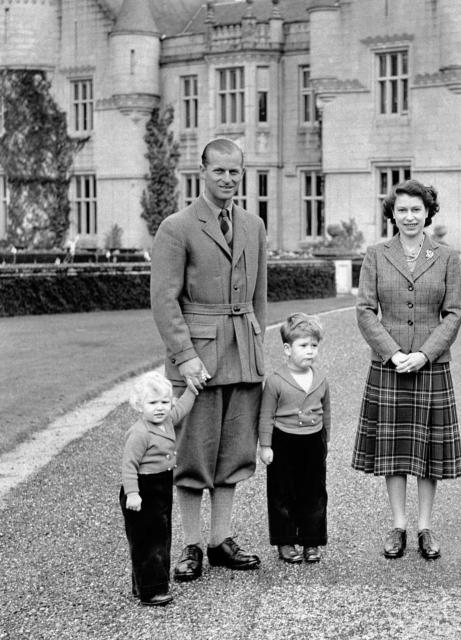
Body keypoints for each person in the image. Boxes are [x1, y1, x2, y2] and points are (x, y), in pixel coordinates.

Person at [150, 138, 268, 581]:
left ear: (243, 172)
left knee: (234, 453)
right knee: (192, 454)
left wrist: (258, 350)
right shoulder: (176, 227)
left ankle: (220, 541)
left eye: (234, 171)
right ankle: (192, 545)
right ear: (202, 171)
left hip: (243, 352)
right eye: (218, 171)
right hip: (197, 359)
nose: (227, 179)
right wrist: (185, 358)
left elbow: (259, 298)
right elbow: (164, 301)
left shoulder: (254, 225)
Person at [352, 179, 461, 561]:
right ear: (392, 214)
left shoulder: (447, 256)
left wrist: (426, 354)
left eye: (417, 209)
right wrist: (393, 353)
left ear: (428, 212)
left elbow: (454, 314)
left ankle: (425, 527)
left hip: (431, 367)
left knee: (429, 451)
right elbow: (365, 310)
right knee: (395, 449)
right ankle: (398, 525)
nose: (410, 216)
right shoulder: (377, 254)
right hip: (390, 366)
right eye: (402, 210)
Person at [258, 313, 331, 564]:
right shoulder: (276, 381)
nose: (310, 351)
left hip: (312, 441)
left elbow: (326, 410)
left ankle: (312, 541)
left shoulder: (320, 378)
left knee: (314, 492)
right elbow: (266, 415)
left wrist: (326, 440)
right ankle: (285, 540)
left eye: (314, 345)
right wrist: (265, 445)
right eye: (303, 345)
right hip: (284, 441)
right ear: (288, 349)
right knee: (282, 492)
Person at [120, 372, 197, 607]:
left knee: (161, 534)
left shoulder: (166, 422)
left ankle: (145, 583)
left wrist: (192, 391)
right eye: (152, 403)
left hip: (161, 485)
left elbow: (182, 408)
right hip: (142, 489)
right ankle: (151, 590)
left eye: (164, 402)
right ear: (139, 406)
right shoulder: (140, 433)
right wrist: (133, 493)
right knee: (147, 540)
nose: (160, 408)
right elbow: (129, 465)